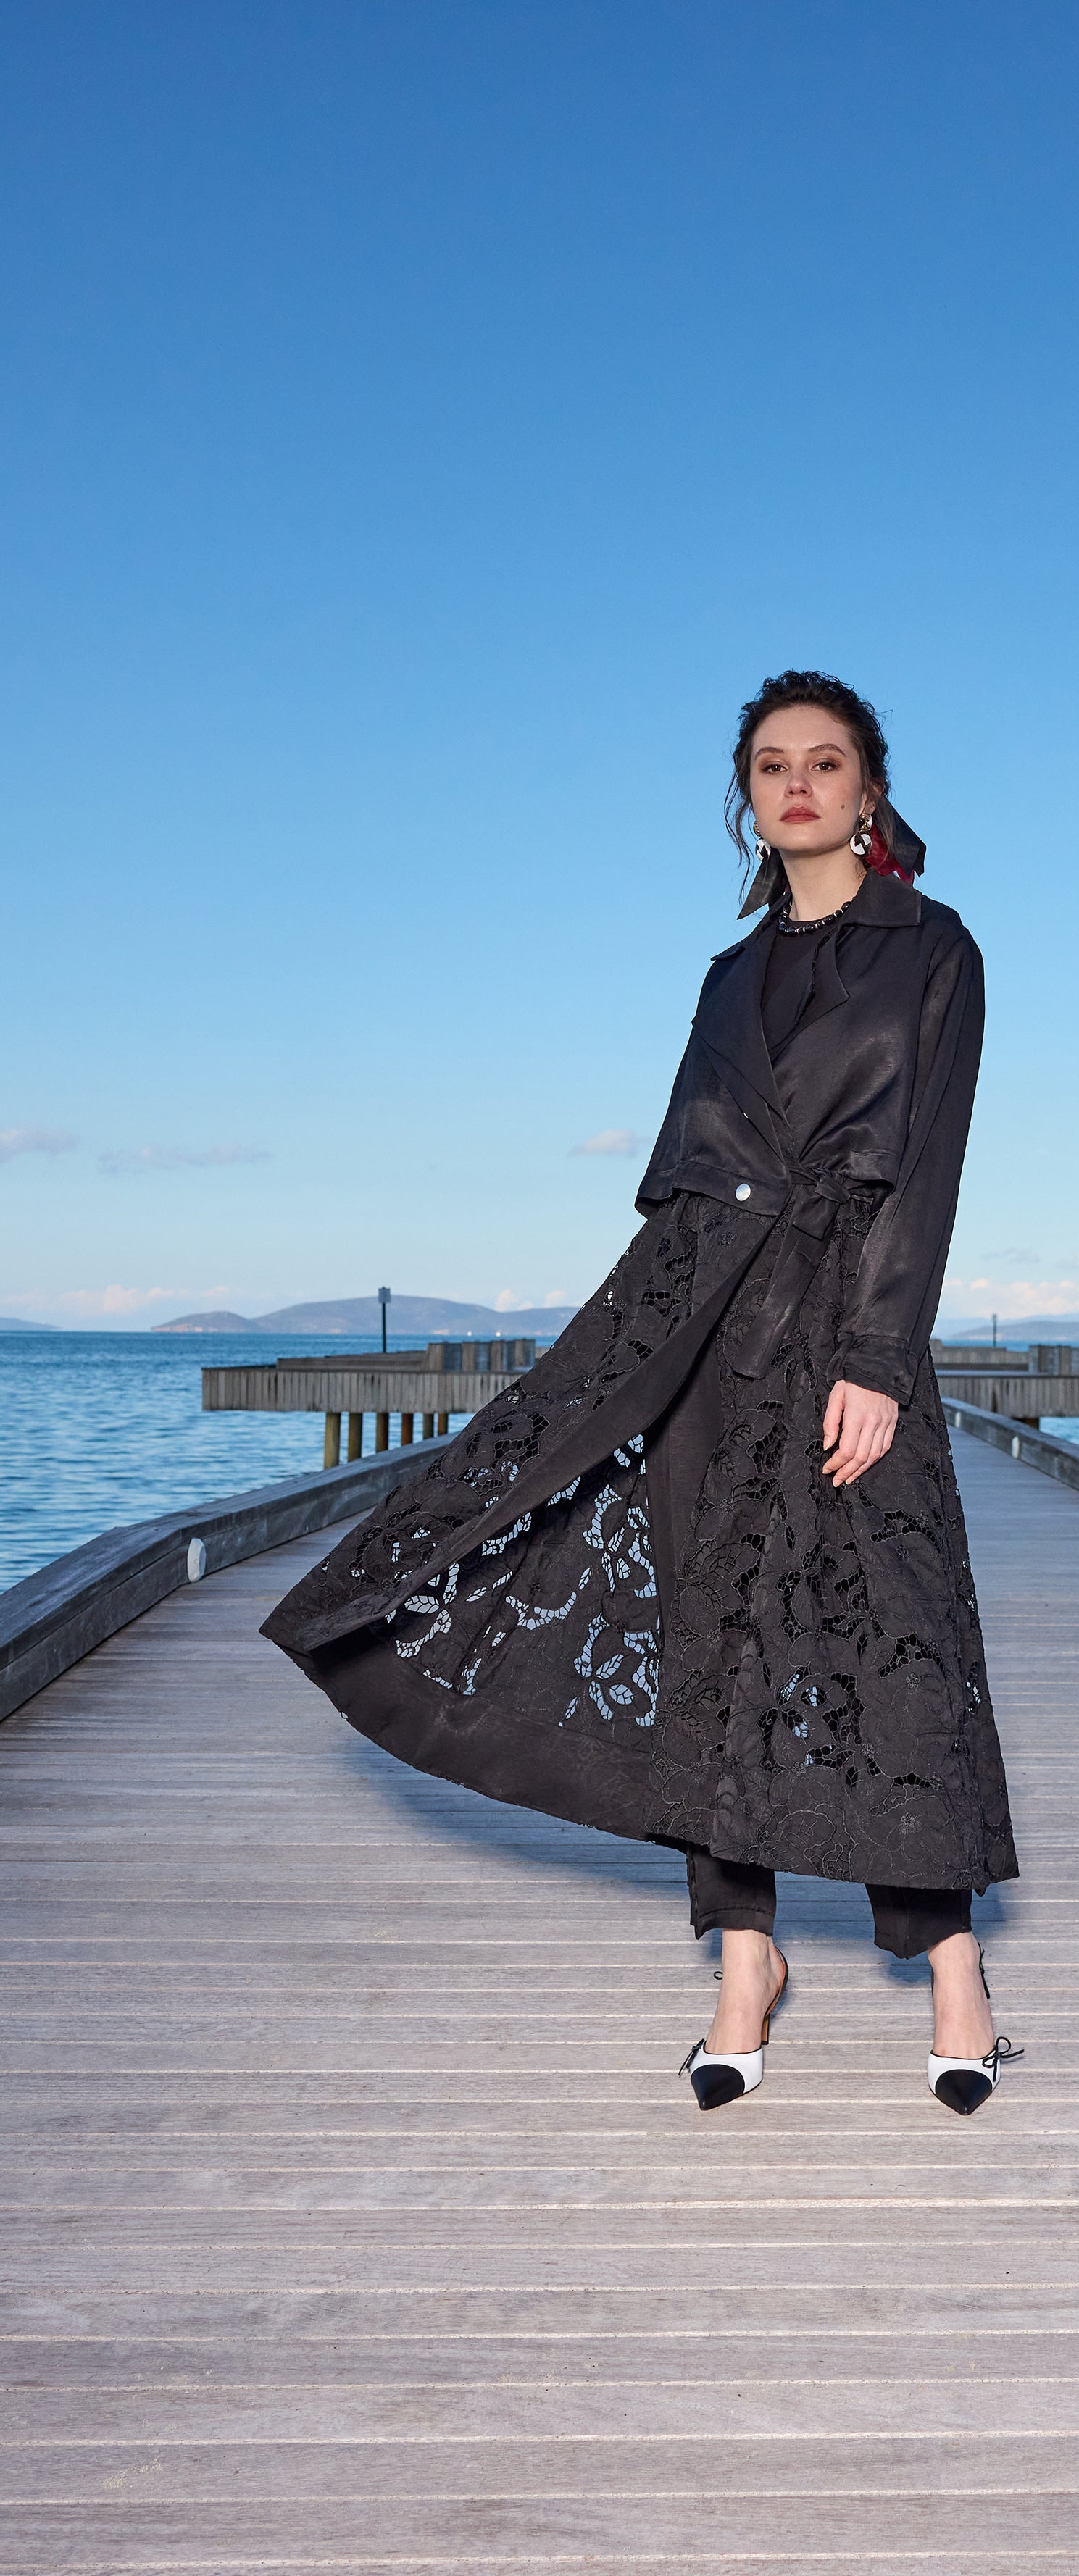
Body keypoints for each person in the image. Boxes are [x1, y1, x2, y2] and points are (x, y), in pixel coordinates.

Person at [262, 670, 1019, 2117]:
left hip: (845, 1323)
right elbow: (682, 1176)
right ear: (747, 795)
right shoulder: (727, 976)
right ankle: (743, 1962)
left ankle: (954, 1970)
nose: (797, 784)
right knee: (708, 1641)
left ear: (869, 786)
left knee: (896, 1639)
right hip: (705, 1332)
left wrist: (876, 1357)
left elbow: (926, 1170)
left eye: (825, 762)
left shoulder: (936, 949)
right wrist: (623, 1358)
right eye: (770, 765)